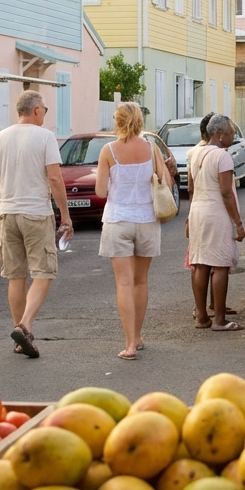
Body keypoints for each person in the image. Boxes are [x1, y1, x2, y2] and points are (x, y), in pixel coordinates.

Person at [0, 91, 72, 358]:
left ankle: (18, 333)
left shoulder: (0, 138)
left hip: (7, 213)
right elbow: (55, 179)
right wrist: (65, 216)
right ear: (36, 110)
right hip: (36, 212)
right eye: (44, 109)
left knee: (15, 276)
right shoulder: (45, 137)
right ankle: (25, 326)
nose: (45, 114)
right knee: (44, 272)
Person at [95, 101, 174, 360]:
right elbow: (166, 181)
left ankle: (128, 344)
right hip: (147, 219)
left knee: (124, 283)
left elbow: (100, 192)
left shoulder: (108, 151)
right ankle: (138, 336)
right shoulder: (151, 148)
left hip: (118, 220)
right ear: (140, 121)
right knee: (141, 281)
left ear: (117, 121)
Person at [187, 114, 245, 331]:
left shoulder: (196, 153)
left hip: (197, 212)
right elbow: (226, 192)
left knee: (201, 263)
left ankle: (201, 317)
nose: (233, 136)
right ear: (219, 135)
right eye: (231, 132)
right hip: (216, 213)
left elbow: (191, 189)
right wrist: (238, 222)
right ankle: (220, 320)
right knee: (220, 265)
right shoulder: (223, 157)